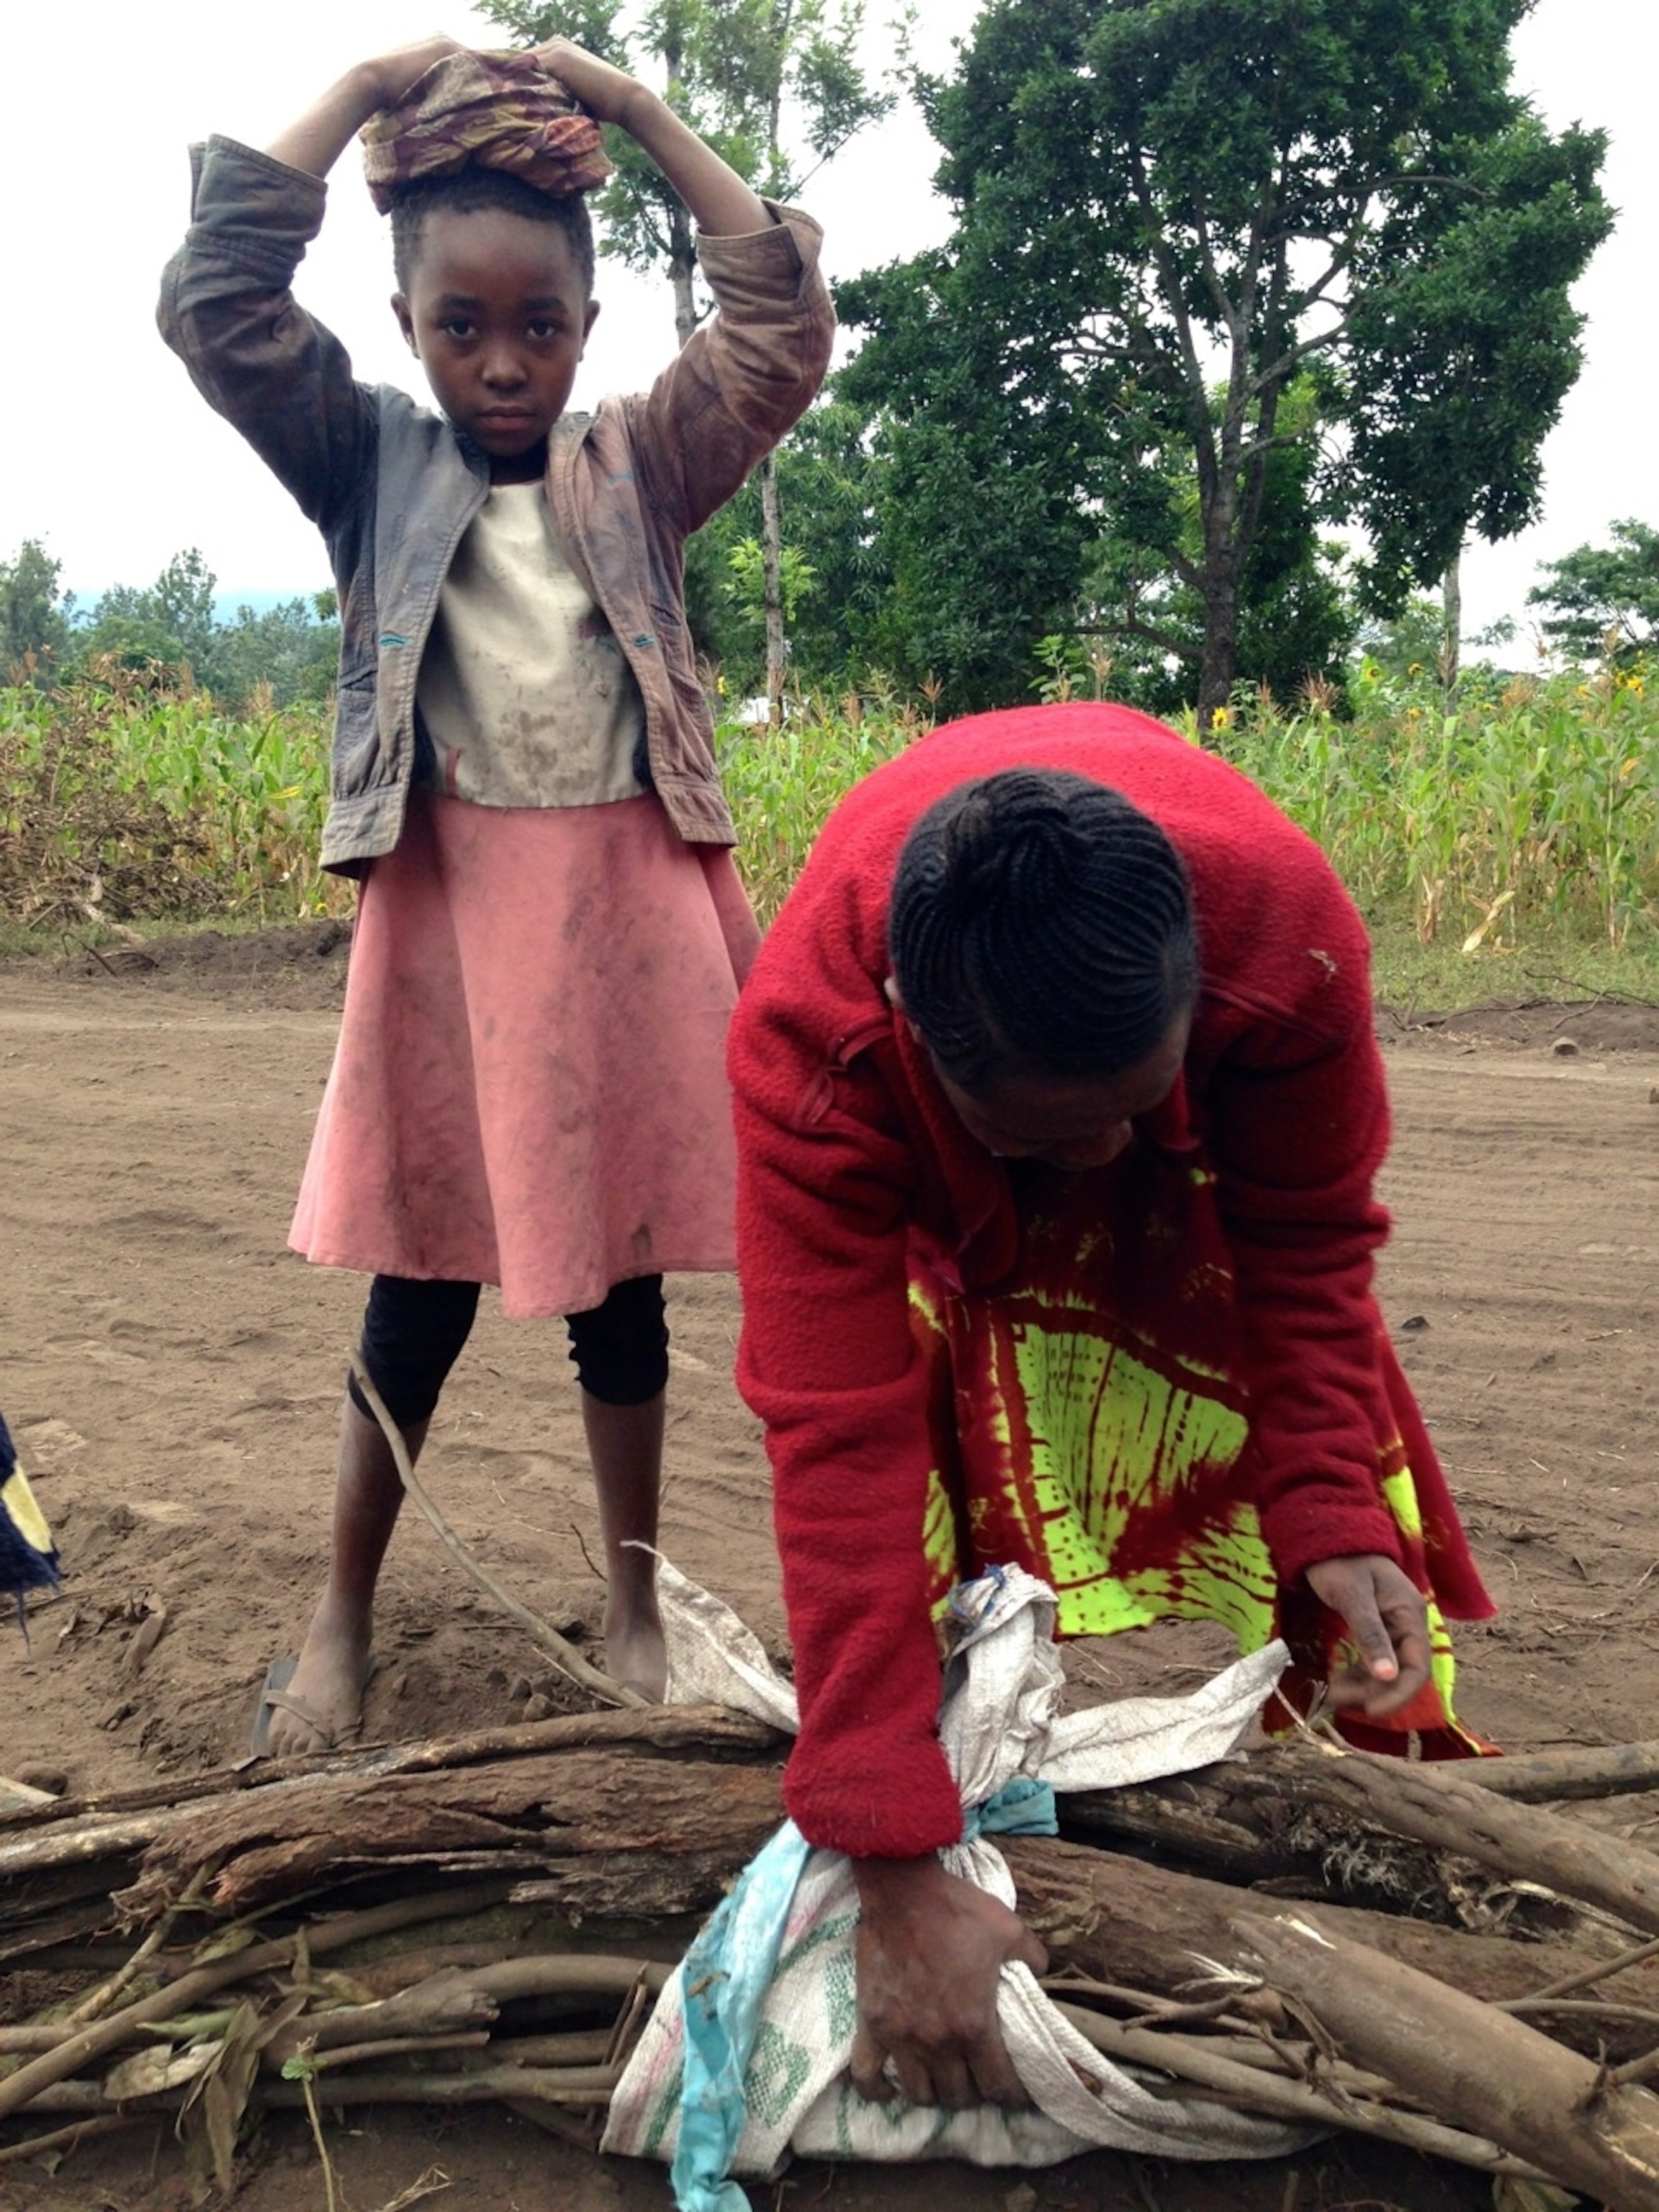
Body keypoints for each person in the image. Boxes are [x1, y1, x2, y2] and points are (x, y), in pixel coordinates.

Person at [158, 35, 833, 1753]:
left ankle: (629, 1605)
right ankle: (341, 1616)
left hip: (623, 917)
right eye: (463, 326)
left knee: (620, 1286)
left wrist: (634, 110)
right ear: (407, 329)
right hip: (454, 926)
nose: (505, 362)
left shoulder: (647, 468)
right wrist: (370, 80)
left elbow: (780, 325)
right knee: (422, 1282)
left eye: (541, 327)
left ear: (590, 331)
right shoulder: (368, 464)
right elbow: (218, 290)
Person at [727, 700, 1495, 2114]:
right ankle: (948, 1758)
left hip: (1198, 1069)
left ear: (1198, 989)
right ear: (908, 1030)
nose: (1101, 1154)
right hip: (929, 1154)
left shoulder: (1288, 943)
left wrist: (1329, 1497)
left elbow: (1310, 1240)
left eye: (1132, 1104)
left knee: (1243, 1318)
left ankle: (1376, 1820)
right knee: (909, 1385)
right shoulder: (814, 1046)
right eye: (1045, 1129)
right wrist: (886, 1859)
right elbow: (832, 1433)